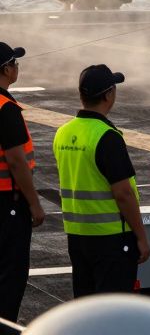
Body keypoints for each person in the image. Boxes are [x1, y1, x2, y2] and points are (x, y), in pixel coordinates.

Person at [52, 64, 150, 297]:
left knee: (87, 309)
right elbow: (123, 194)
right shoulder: (106, 136)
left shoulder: (63, 132)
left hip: (77, 236)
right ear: (108, 94)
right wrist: (141, 237)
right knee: (112, 311)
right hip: (110, 238)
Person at [0, 43, 44, 333]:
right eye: (15, 63)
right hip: (7, 205)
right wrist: (34, 203)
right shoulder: (6, 109)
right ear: (6, 69)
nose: (18, 68)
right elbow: (17, 162)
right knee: (9, 276)